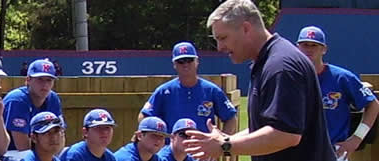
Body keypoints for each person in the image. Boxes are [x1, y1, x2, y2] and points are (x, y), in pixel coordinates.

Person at [183, 0, 337, 161]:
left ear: (246, 28)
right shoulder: (268, 62)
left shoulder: (280, 66)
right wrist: (226, 139)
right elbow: (264, 128)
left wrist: (225, 146)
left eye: (223, 38)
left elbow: (285, 134)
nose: (220, 47)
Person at [296, 26, 379, 160]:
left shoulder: (342, 78)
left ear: (324, 49)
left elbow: (373, 104)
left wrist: (356, 139)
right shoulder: (290, 78)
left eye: (314, 45)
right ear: (297, 47)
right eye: (305, 45)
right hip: (298, 151)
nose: (309, 49)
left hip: (334, 151)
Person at [138, 41, 238, 138]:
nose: (185, 64)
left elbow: (231, 118)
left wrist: (221, 142)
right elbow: (144, 116)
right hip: (171, 151)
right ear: (174, 64)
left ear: (197, 62)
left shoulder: (211, 90)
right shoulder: (164, 91)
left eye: (189, 60)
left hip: (202, 150)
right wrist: (154, 139)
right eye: (180, 61)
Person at [3, 58, 64, 151]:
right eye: (40, 79)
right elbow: (23, 148)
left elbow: (60, 135)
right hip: (4, 152)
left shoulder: (53, 98)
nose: (45, 84)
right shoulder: (17, 100)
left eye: (49, 80)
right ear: (28, 80)